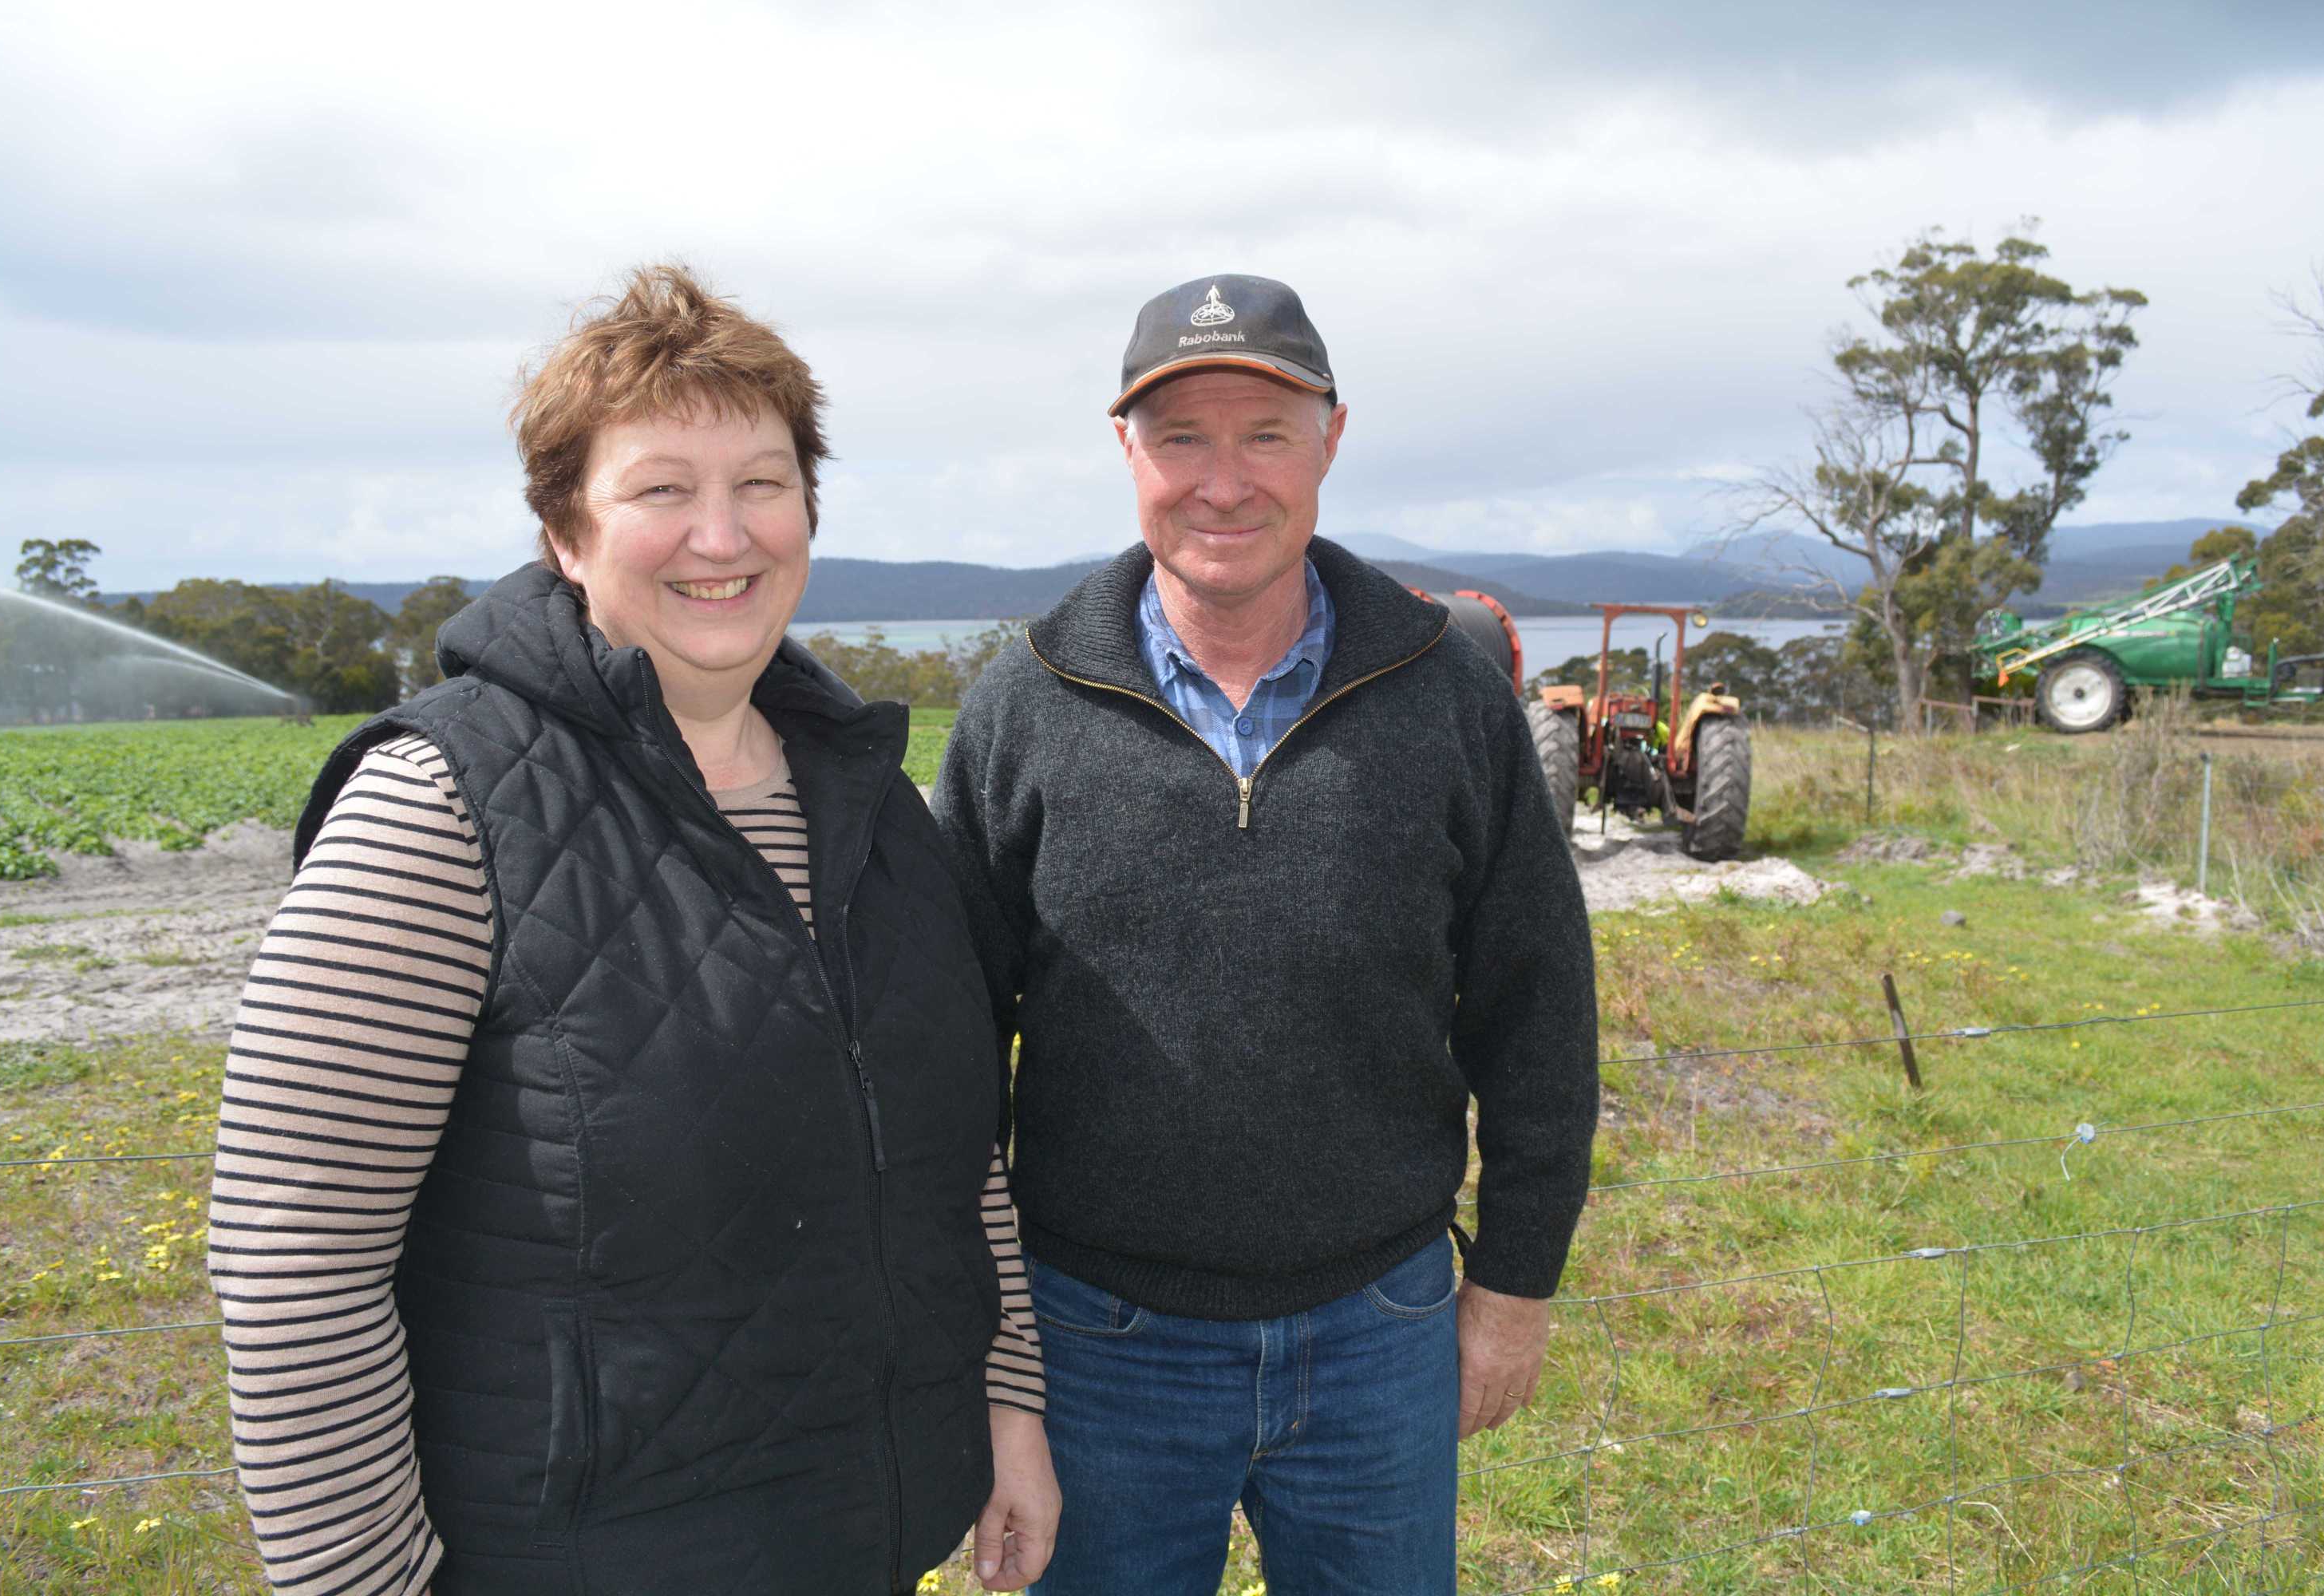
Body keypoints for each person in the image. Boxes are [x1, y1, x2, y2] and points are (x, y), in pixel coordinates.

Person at [206, 264, 1059, 1596]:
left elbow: (960, 1156)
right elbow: (293, 1253)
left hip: (861, 1539)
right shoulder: (442, 807)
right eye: (662, 490)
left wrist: (1007, 1409)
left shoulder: (874, 801)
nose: (723, 538)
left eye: (762, 484)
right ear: (565, 532)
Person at [931, 274, 1598, 1594]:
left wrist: (1514, 1288)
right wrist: (994, 1360)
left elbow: (1538, 1011)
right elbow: (944, 1058)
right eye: (1181, 437)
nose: (1222, 482)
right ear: (1126, 450)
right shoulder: (1025, 708)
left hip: (1382, 1327)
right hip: (1097, 1338)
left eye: (1266, 435)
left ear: (1332, 442)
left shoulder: (1448, 697)